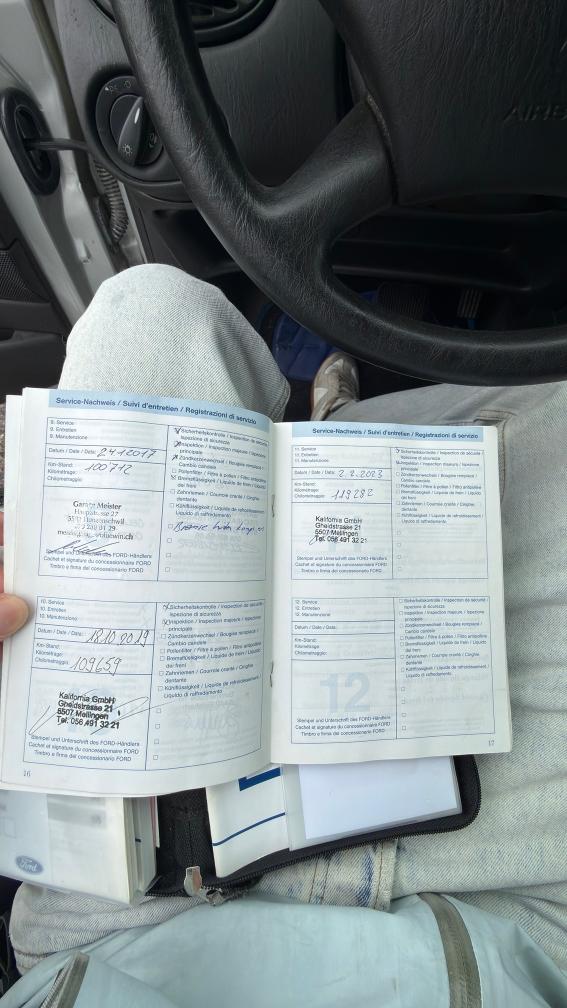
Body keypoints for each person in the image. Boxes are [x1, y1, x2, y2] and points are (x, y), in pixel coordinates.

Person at [1, 265, 566, 1006]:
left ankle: (306, 461)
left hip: (106, 912)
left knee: (148, 312)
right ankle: (328, 444)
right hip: (492, 920)